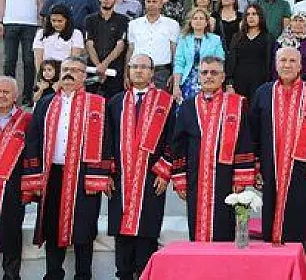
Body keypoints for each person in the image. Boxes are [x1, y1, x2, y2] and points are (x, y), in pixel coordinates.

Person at [23, 56, 113, 280]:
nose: (68, 74)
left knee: (84, 228)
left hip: (84, 174)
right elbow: (33, 139)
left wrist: (98, 176)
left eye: (75, 70)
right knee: (52, 226)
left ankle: (83, 275)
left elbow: (106, 141)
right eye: (65, 69)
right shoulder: (45, 102)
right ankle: (53, 274)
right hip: (52, 173)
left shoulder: (98, 103)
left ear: (84, 75)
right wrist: (34, 178)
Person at [249, 47, 306, 267]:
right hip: (270, 170)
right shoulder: (263, 93)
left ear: (301, 66)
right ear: (275, 65)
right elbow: (252, 134)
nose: (287, 65)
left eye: (292, 61)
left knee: (300, 227)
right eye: (283, 60)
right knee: (269, 224)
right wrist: (255, 168)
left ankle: (302, 271)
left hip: (302, 174)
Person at [106, 54, 175, 280]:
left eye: (144, 67)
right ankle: (124, 275)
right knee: (122, 232)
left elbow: (173, 139)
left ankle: (145, 274)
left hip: (151, 176)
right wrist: (106, 173)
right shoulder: (116, 102)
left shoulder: (165, 102)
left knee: (147, 231)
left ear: (152, 72)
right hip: (122, 177)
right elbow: (106, 141)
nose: (138, 71)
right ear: (128, 70)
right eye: (134, 66)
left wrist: (165, 172)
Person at [172, 55, 255, 242]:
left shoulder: (236, 104)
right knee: (196, 227)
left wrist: (241, 178)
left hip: (226, 179)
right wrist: (180, 179)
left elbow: (244, 141)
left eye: (214, 73)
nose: (209, 76)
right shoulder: (187, 106)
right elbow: (178, 145)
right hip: (195, 178)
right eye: (204, 72)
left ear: (223, 76)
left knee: (223, 228)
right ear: (199, 76)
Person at [0, 0, 46, 105]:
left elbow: (41, 3)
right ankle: (8, 96)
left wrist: (42, 25)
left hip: (31, 24)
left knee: (28, 61)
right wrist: (0, 21)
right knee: (9, 61)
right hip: (10, 22)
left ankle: (27, 96)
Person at [0, 76, 32, 280]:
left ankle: (11, 276)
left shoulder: (26, 120)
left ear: (15, 95)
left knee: (11, 234)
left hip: (13, 189)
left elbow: (32, 156)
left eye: (6, 92)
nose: (1, 95)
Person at [125, 0, 180, 91]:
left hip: (162, 72)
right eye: (148, 1)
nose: (151, 4)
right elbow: (130, 50)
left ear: (161, 4)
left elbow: (174, 51)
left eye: (154, 2)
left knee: (160, 104)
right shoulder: (134, 24)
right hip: (138, 71)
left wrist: (174, 75)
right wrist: (126, 74)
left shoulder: (172, 24)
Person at [84, 0, 129, 99]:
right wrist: (98, 66)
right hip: (93, 70)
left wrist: (104, 65)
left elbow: (120, 45)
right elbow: (89, 44)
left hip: (114, 71)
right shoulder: (90, 19)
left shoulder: (123, 20)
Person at [173, 8, 225, 103]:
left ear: (206, 23)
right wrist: (176, 86)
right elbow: (179, 63)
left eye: (201, 18)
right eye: (195, 18)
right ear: (191, 22)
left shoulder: (215, 40)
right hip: (188, 81)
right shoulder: (183, 39)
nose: (198, 21)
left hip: (208, 79)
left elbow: (219, 62)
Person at [225, 4, 274, 100]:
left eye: (254, 14)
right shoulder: (237, 37)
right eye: (248, 14)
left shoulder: (268, 38)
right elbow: (231, 61)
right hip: (238, 82)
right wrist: (229, 84)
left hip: (260, 83)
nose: (251, 17)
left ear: (260, 17)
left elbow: (269, 63)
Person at [32, 3, 84, 72]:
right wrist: (41, 77)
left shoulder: (76, 34)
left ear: (67, 20)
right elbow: (38, 59)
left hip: (66, 73)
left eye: (60, 21)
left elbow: (74, 59)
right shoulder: (41, 33)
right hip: (46, 73)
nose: (56, 24)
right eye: (53, 21)